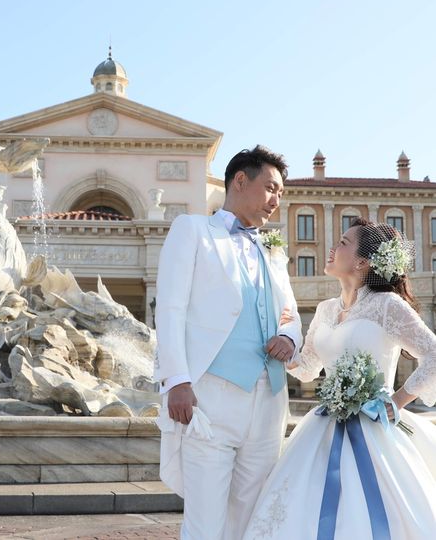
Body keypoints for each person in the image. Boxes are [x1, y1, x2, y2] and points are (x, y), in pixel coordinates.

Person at [244, 218, 436, 540]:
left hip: (376, 429)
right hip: (323, 426)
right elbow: (308, 368)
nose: (333, 248)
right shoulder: (325, 309)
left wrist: (397, 401)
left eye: (344, 243)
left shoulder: (387, 306)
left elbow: (433, 353)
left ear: (362, 262)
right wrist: (285, 350)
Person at [154, 145, 303, 539]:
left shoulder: (273, 250)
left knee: (251, 519)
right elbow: (169, 308)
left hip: (269, 402)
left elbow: (290, 312)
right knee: (205, 522)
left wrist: (289, 337)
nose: (276, 200)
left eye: (280, 193)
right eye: (270, 188)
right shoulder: (192, 230)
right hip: (210, 396)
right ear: (240, 180)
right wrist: (177, 380)